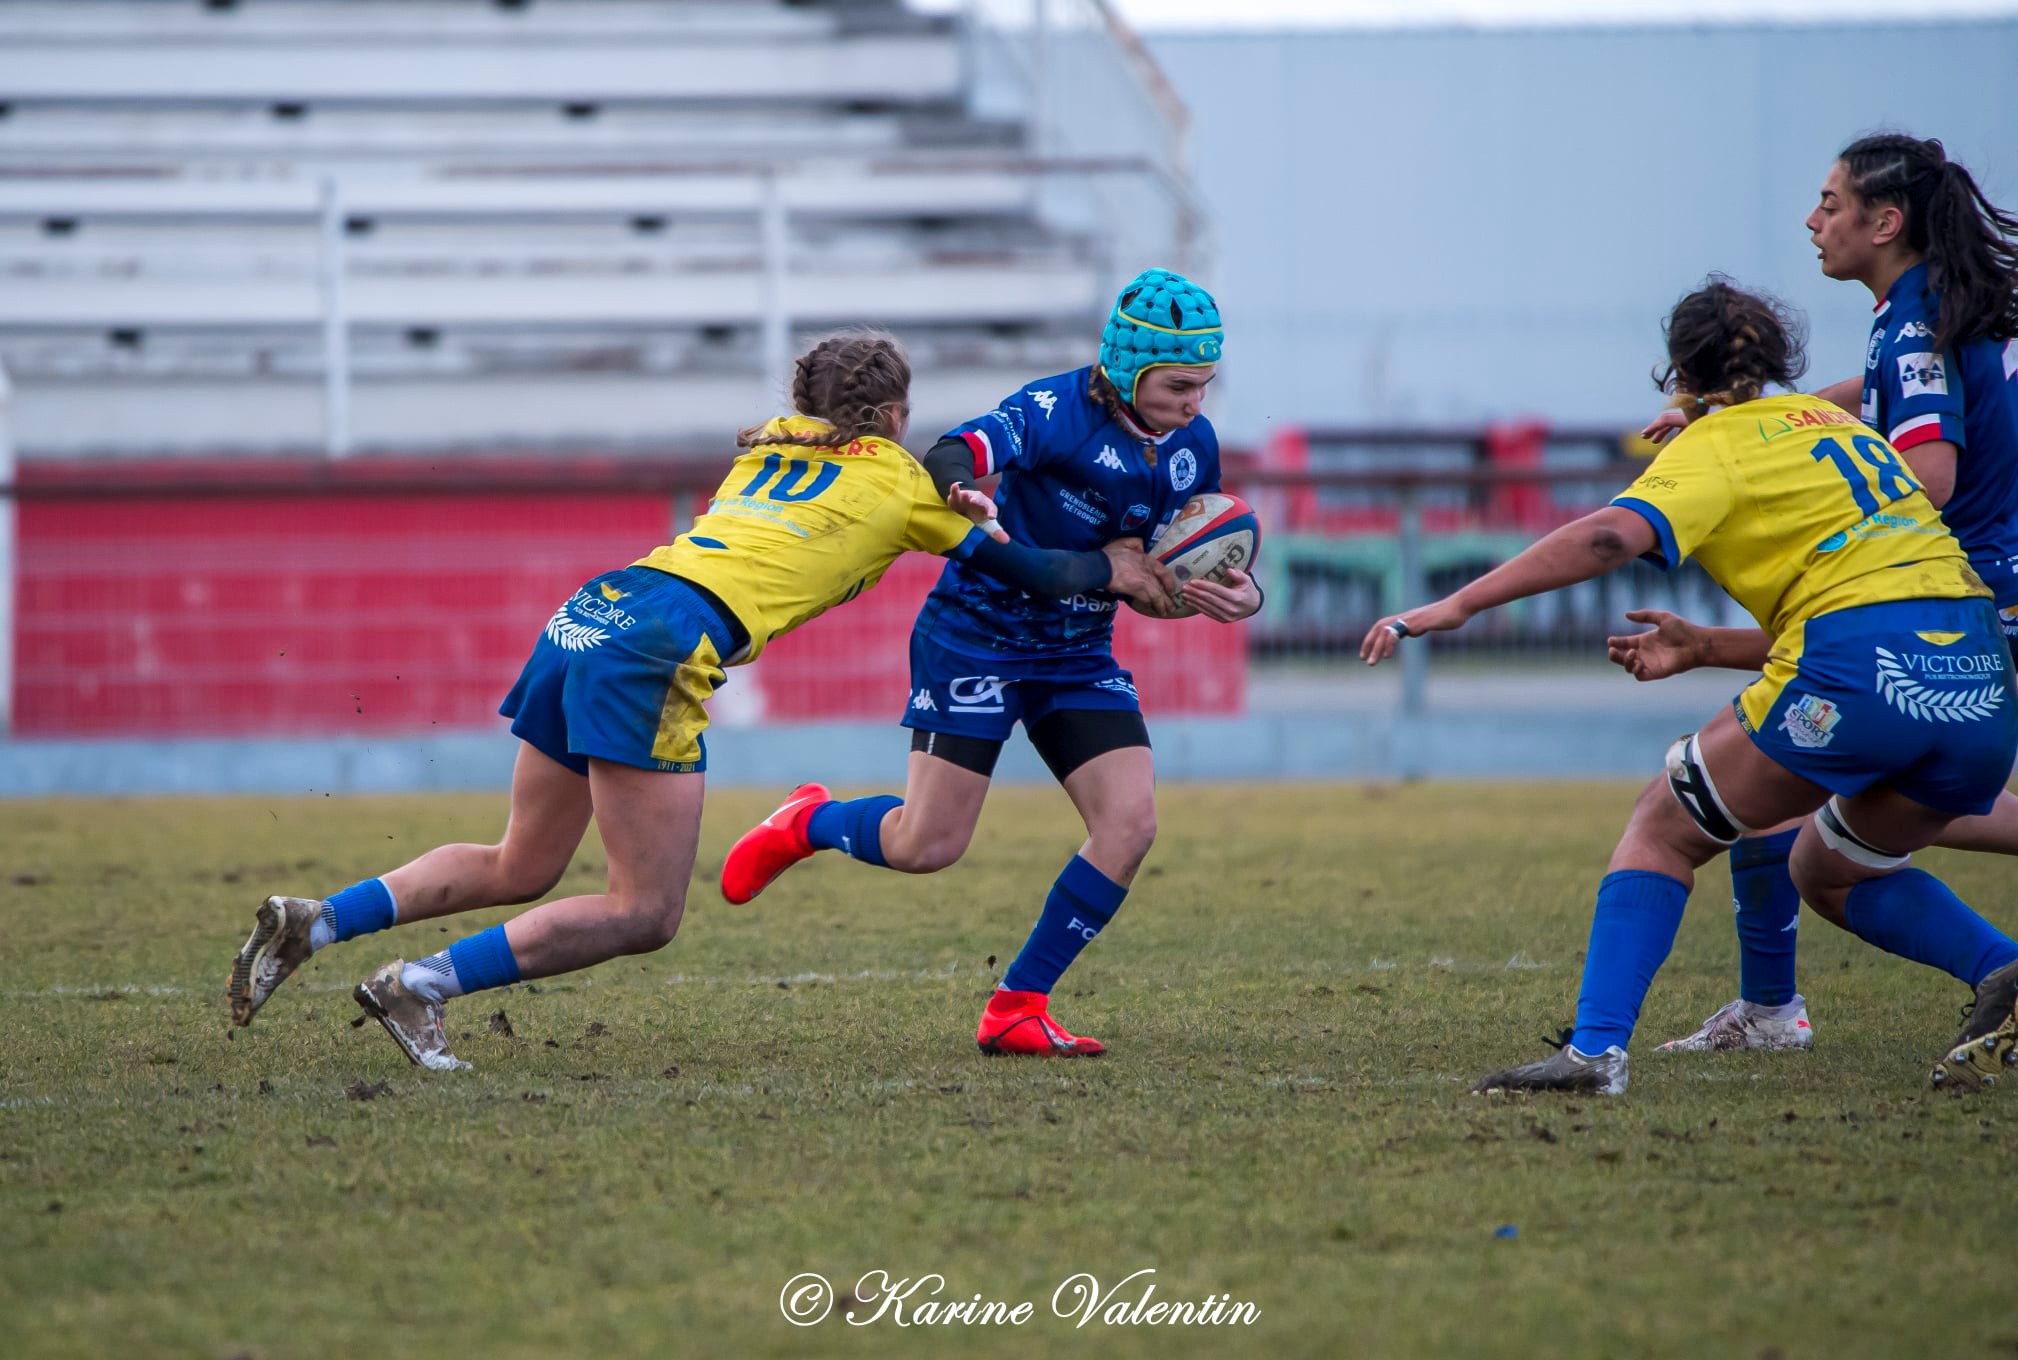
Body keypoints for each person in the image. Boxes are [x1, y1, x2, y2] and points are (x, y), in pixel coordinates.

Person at [225, 330, 1177, 1071]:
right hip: (657, 651)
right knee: (645, 914)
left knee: (522, 861)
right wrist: (1118, 567)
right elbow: (1041, 572)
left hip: (593, 614)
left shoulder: (765, 451)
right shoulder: (895, 477)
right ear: (889, 413)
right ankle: (417, 986)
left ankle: (320, 920)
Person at [1363, 276, 2018, 1096]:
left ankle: (1594, 1052)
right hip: (1983, 679)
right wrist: (1705, 644)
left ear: (1676, 372)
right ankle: (2003, 970)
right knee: (1829, 866)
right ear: (1782, 361)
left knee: (1664, 824)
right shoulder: (1848, 432)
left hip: (1859, 671)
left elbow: (1608, 536)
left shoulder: (1714, 445)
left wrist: (1455, 603)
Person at [717, 269, 1262, 1057]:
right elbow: (952, 452)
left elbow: (1162, 570)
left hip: (1076, 653)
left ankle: (1018, 1005)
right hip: (977, 636)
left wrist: (1232, 595)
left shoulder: (1192, 448)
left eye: (1204, 385)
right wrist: (966, 492)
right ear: (1128, 369)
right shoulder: (1055, 411)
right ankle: (808, 822)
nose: (1194, 403)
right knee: (925, 847)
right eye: (1178, 385)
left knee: (1130, 825)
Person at [1633, 133, 2018, 1054]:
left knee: (1808, 814)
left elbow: (1925, 474)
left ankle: (1779, 1010)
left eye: (1831, 203)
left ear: (1885, 222)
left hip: (1959, 604)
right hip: (1955, 598)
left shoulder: (1916, 320)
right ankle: (1772, 1010)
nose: (1814, 221)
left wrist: (1797, 465)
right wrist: (1739, 412)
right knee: (1788, 796)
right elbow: (1880, 394)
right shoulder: (1920, 310)